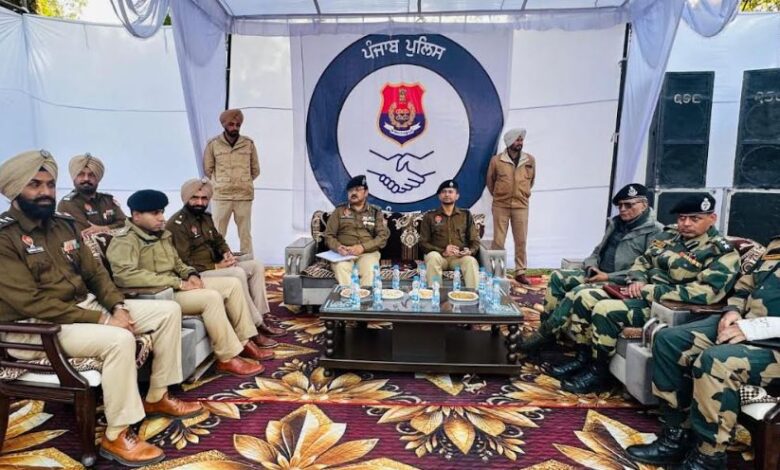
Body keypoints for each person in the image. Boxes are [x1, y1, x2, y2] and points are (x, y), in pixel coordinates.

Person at [0, 150, 203, 467]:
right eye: (35, 185)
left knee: (167, 312)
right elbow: (31, 302)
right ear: (15, 189)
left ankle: (156, 396)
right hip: (35, 327)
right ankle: (117, 434)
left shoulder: (63, 226)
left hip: (80, 309)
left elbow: (96, 274)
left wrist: (117, 307)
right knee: (119, 340)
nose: (45, 192)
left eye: (50, 184)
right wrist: (102, 319)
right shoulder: (5, 237)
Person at [556, 193, 741, 394]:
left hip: (664, 306)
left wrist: (650, 291)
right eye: (682, 218)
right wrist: (638, 279)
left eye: (694, 219)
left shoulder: (720, 252)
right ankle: (583, 358)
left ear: (712, 218)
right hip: (638, 291)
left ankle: (598, 373)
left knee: (605, 310)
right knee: (584, 297)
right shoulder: (669, 235)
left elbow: (705, 294)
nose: (686, 224)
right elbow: (643, 261)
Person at [627, 234, 780, 469]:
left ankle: (709, 457)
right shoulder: (776, 244)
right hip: (747, 322)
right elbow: (746, 286)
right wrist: (733, 310)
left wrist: (755, 328)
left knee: (716, 362)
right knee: (669, 340)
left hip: (770, 336)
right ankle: (677, 434)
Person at [106, 189, 271, 377]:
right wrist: (178, 282)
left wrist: (190, 274)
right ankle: (226, 358)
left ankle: (245, 340)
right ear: (136, 216)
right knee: (211, 298)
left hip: (175, 287)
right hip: (158, 296)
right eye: (155, 213)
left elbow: (177, 262)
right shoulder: (125, 240)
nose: (161, 218)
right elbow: (125, 276)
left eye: (162, 212)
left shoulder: (160, 234)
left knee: (232, 285)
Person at [519, 183, 663, 354]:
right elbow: (596, 251)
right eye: (620, 206)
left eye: (628, 205)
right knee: (558, 276)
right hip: (598, 273)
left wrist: (607, 277)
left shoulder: (655, 231)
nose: (623, 209)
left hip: (620, 282)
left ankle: (544, 335)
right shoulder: (616, 224)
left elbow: (645, 270)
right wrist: (591, 266)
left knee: (578, 292)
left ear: (644, 205)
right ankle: (551, 329)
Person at [166, 178, 285, 346]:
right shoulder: (177, 224)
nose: (200, 203)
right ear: (186, 198)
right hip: (198, 272)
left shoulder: (205, 218)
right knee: (237, 273)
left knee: (256, 265)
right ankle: (255, 325)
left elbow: (218, 240)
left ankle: (261, 316)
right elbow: (183, 261)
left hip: (216, 265)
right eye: (195, 198)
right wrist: (215, 266)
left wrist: (226, 253)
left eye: (204, 198)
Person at [203, 109, 260, 255]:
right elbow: (208, 169)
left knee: (245, 234)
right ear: (224, 124)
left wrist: (243, 181)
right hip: (221, 196)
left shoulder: (248, 144)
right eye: (231, 124)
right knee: (217, 233)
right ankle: (216, 261)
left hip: (243, 196)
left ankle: (248, 261)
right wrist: (222, 183)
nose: (234, 127)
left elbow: (255, 170)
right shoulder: (213, 144)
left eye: (237, 125)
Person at [486, 128, 535, 285]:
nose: (520, 143)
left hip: (521, 205)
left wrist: (522, 193)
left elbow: (531, 181)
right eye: (517, 140)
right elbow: (490, 181)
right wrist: (500, 195)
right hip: (501, 205)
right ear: (509, 142)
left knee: (521, 240)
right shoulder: (496, 161)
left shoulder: (530, 160)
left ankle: (520, 272)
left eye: (521, 140)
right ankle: (497, 272)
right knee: (498, 240)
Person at [323, 175, 389, 287]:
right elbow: (329, 236)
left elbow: (382, 238)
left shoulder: (375, 212)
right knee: (341, 267)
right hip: (344, 254)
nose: (353, 193)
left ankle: (365, 297)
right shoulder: (339, 211)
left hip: (367, 253)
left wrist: (362, 247)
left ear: (366, 192)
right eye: (350, 191)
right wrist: (338, 247)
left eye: (358, 189)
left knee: (370, 269)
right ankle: (349, 296)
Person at [419, 180, 481, 289]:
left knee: (470, 261)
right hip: (439, 257)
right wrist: (443, 251)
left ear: (457, 196)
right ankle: (436, 295)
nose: (447, 194)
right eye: (443, 192)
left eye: (450, 192)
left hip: (458, 258)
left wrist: (469, 251)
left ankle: (473, 295)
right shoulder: (430, 216)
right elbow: (423, 243)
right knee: (432, 257)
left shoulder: (465, 215)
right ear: (439, 196)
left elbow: (475, 240)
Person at [57, 153, 127, 236]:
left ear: (98, 178)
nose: (86, 178)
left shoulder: (107, 200)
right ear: (74, 177)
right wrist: (114, 229)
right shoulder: (68, 203)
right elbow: (87, 233)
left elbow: (126, 223)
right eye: (81, 174)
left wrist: (104, 228)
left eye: (91, 175)